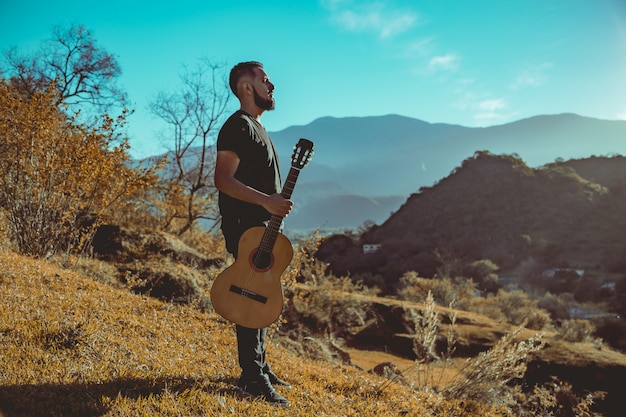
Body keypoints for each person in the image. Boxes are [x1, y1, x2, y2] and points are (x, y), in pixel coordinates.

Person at [214, 61, 293, 407]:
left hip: (263, 228)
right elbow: (223, 179)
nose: (272, 85)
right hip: (244, 226)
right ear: (247, 87)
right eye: (265, 80)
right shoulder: (238, 127)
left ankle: (259, 365)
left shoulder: (258, 128)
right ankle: (251, 376)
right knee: (249, 293)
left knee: (261, 291)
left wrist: (274, 207)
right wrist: (267, 202)